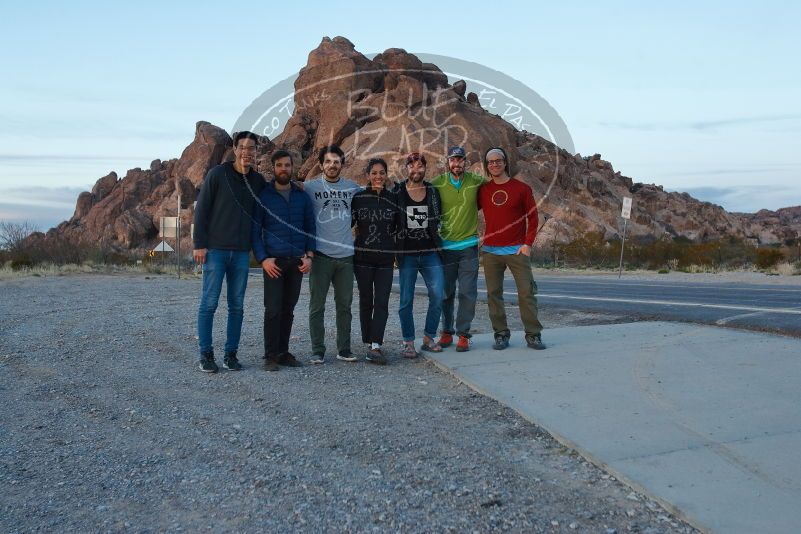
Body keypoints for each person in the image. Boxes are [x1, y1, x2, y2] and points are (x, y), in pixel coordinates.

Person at [193, 131, 265, 373]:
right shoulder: (218, 175)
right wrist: (199, 244)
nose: (247, 151)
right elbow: (202, 210)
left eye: (252, 148)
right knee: (209, 303)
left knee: (237, 306)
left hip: (242, 254)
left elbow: (269, 204)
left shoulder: (257, 181)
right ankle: (205, 354)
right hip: (215, 251)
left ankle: (230, 355)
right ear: (235, 149)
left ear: (256, 152)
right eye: (243, 147)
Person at [251, 150, 316, 371]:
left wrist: (310, 256)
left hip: (297, 262)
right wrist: (263, 259)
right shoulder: (264, 197)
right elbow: (255, 231)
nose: (283, 169)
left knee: (288, 309)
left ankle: (283, 352)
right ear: (274, 167)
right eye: (279, 165)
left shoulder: (302, 197)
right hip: (274, 263)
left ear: (292, 168)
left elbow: (310, 229)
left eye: (287, 165)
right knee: (273, 309)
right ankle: (270, 355)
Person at [478, 147, 546, 350]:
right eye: (490, 162)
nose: (494, 164)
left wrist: (527, 244)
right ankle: (501, 334)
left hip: (517, 250)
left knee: (526, 292)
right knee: (494, 295)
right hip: (491, 251)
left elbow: (533, 218)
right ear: (487, 165)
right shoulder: (483, 190)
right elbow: (465, 210)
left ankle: (533, 335)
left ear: (505, 162)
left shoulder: (521, 189)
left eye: (498, 160)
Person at [304, 145, 362, 364]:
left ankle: (344, 349)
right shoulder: (310, 187)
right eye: (328, 161)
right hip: (320, 255)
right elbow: (290, 188)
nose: (332, 165)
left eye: (336, 162)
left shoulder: (352, 187)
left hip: (346, 256)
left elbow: (373, 190)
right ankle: (317, 349)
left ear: (342, 164)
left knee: (344, 305)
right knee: (317, 305)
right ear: (321, 164)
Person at [431, 146, 485, 352]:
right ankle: (446, 331)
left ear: (465, 162)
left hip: (469, 246)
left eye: (460, 160)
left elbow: (496, 187)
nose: (456, 164)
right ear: (448, 162)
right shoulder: (438, 183)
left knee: (468, 292)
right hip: (445, 248)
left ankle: (464, 335)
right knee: (446, 292)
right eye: (453, 160)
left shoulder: (476, 181)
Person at [394, 152, 444, 358]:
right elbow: (390, 219)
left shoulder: (432, 191)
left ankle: (429, 337)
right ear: (407, 169)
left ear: (425, 168)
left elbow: (438, 217)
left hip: (430, 251)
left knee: (438, 294)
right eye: (412, 166)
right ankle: (408, 342)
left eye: (420, 166)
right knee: (406, 299)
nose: (416, 170)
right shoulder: (397, 191)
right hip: (407, 254)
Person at [351, 158, 399, 365]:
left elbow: (399, 227)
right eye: (374, 173)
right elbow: (348, 223)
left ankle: (376, 344)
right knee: (365, 300)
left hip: (386, 259)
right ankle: (368, 340)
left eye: (382, 173)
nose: (378, 176)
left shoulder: (393, 198)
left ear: (386, 175)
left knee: (382, 302)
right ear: (368, 175)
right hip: (362, 258)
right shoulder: (359, 198)